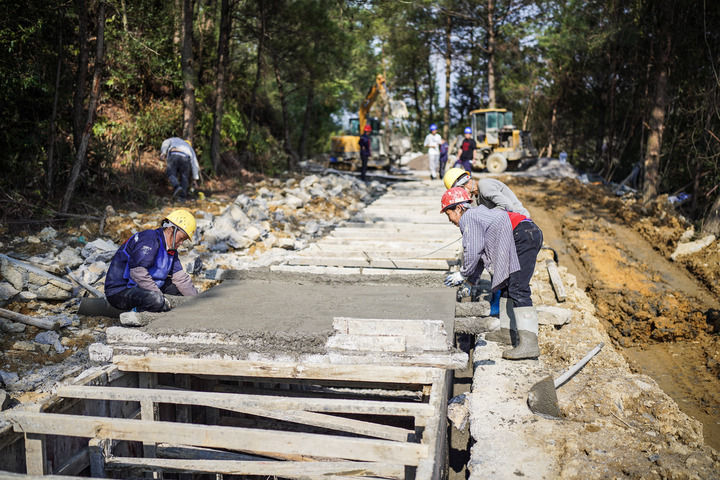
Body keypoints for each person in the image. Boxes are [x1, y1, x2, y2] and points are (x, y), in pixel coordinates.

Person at [440, 187, 543, 360]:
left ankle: (530, 344)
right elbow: (480, 254)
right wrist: (471, 281)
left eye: (448, 213)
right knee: (507, 285)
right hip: (522, 233)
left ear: (459, 208)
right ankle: (507, 332)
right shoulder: (476, 216)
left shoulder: (469, 218)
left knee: (518, 287)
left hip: (523, 235)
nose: (449, 219)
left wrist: (463, 274)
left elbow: (472, 251)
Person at [104, 209, 199, 312]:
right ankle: (136, 313)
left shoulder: (171, 250)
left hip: (145, 288)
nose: (181, 243)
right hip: (121, 291)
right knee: (156, 300)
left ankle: (157, 305)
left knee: (178, 292)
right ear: (171, 229)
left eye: (183, 240)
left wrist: (197, 301)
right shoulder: (149, 239)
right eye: (181, 238)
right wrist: (159, 297)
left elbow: (181, 279)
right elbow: (138, 273)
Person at [443, 168, 531, 217]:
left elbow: (507, 206)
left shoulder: (484, 185)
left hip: (521, 222)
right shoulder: (474, 198)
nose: (460, 196)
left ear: (463, 185)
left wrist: (485, 215)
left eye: (459, 192)